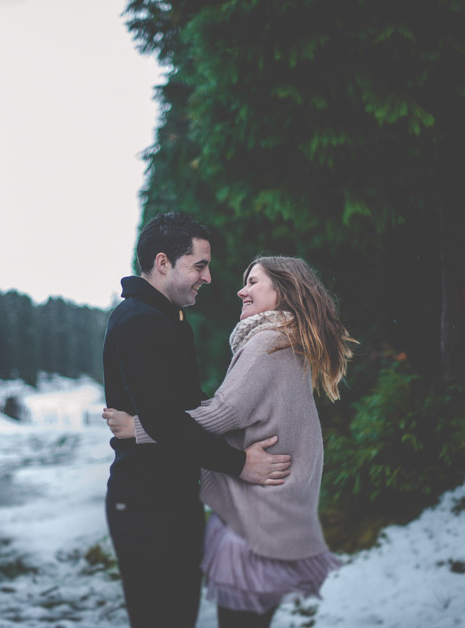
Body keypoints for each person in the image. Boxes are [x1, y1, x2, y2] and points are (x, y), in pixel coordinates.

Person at [105, 255, 355, 628]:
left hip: (255, 526)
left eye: (253, 282)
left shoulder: (268, 343)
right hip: (276, 518)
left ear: (283, 290)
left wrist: (139, 427)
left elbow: (224, 413)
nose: (241, 291)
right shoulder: (288, 341)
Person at [103, 213, 292, 628]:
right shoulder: (141, 322)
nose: (207, 278)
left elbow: (190, 408)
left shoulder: (167, 320)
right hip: (147, 505)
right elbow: (168, 422)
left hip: (172, 500)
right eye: (199, 266)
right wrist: (240, 464)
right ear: (163, 262)